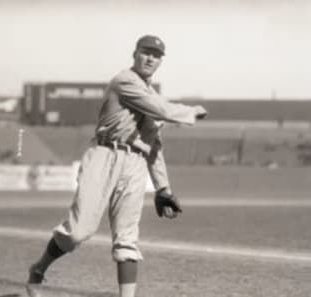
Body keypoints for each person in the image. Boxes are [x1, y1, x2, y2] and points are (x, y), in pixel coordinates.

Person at [25, 34, 208, 297]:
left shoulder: (151, 94)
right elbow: (162, 109)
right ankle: (38, 270)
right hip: (104, 154)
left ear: (160, 63)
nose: (150, 58)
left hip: (135, 164)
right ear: (135, 54)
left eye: (156, 56)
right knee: (77, 232)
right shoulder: (125, 81)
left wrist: (162, 188)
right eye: (146, 52)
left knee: (127, 239)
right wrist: (192, 112)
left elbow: (154, 144)